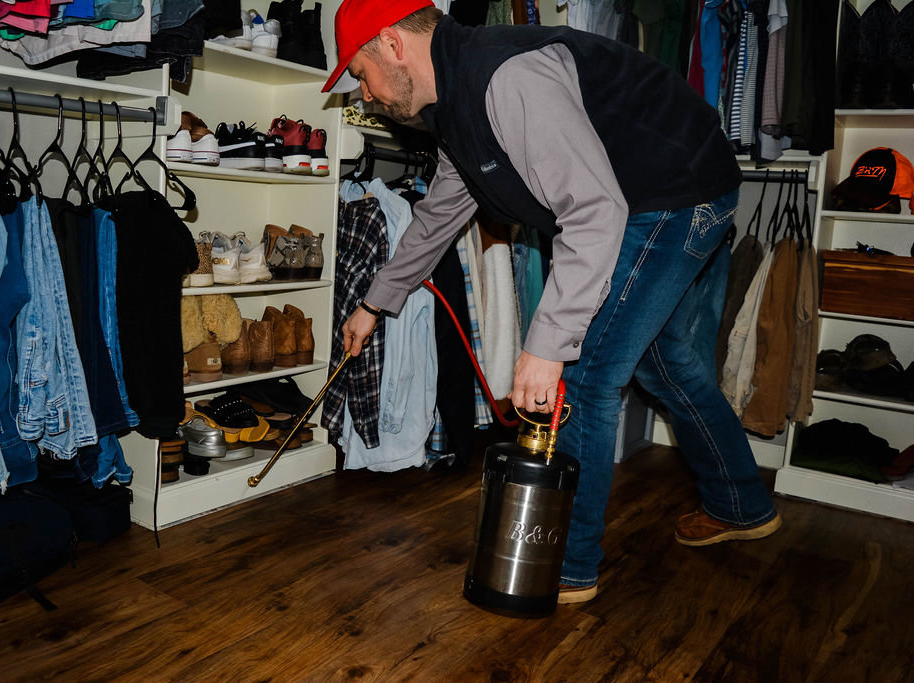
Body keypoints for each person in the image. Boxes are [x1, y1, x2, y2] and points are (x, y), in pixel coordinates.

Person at [325, 0, 781, 604]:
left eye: (359, 72)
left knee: (586, 374)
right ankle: (743, 504)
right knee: (661, 361)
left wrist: (546, 347)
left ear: (392, 44)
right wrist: (374, 303)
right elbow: (439, 214)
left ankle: (565, 566)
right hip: (646, 197)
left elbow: (593, 212)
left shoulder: (506, 76)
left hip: (675, 193)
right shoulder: (454, 104)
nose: (367, 92)